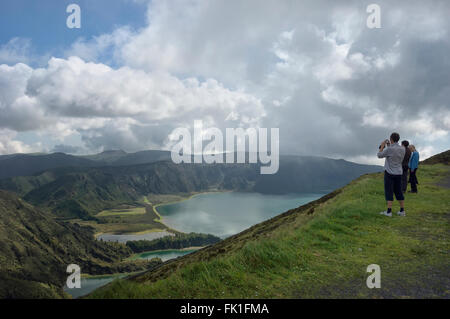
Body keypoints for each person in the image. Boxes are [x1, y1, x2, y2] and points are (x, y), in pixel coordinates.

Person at [377, 132, 406, 217]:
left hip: (389, 173)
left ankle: (389, 211)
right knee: (398, 191)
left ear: (391, 139)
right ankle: (402, 210)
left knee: (389, 191)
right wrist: (389, 145)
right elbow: (394, 152)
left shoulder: (389, 149)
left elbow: (379, 155)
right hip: (399, 172)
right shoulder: (402, 148)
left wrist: (382, 146)